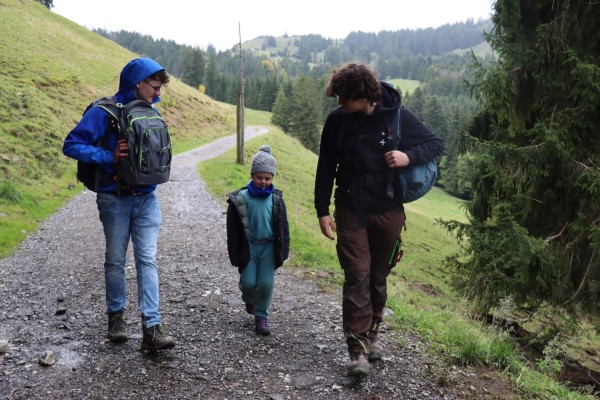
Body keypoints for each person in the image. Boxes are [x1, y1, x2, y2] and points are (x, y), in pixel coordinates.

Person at [314, 63, 444, 376]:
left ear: (362, 95)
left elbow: (435, 144)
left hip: (388, 208)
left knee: (377, 276)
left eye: (344, 96)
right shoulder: (338, 120)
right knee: (357, 274)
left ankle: (372, 334)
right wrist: (322, 210)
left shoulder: (397, 116)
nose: (339, 102)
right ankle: (357, 351)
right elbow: (326, 165)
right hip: (350, 206)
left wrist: (408, 157)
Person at [62, 58, 175, 351]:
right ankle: (116, 318)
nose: (158, 93)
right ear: (138, 82)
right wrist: (107, 156)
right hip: (114, 199)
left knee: (147, 259)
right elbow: (71, 144)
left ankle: (152, 327)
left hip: (147, 198)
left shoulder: (150, 111)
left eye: (160, 88)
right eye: (154, 87)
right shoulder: (103, 112)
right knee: (115, 260)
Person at [226, 145, 290, 336]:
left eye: (267, 178)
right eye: (259, 177)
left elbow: (283, 227)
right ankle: (249, 299)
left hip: (269, 247)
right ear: (252, 175)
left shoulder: (276, 199)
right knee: (248, 283)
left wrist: (283, 249)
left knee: (265, 284)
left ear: (272, 178)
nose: (263, 182)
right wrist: (235, 253)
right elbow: (233, 230)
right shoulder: (241, 198)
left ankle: (261, 316)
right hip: (249, 247)